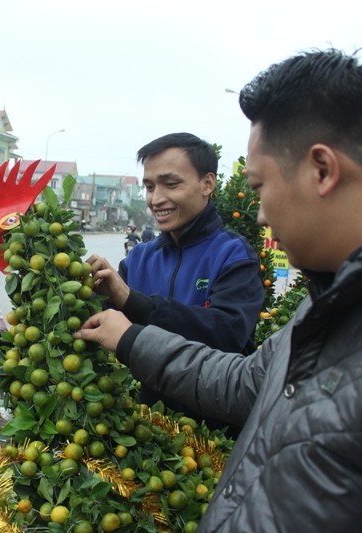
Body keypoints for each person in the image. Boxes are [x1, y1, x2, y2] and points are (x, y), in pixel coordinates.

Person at [75, 49, 362, 531]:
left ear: (322, 170)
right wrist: (128, 338)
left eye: (258, 188)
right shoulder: (337, 300)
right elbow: (243, 382)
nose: (259, 215)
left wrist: (135, 313)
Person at [88, 132, 263, 432]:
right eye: (150, 187)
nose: (156, 199)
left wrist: (135, 302)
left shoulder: (233, 254)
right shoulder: (140, 258)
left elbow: (227, 333)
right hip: (145, 435)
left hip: (214, 437)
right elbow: (96, 324)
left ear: (207, 184)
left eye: (171, 184)